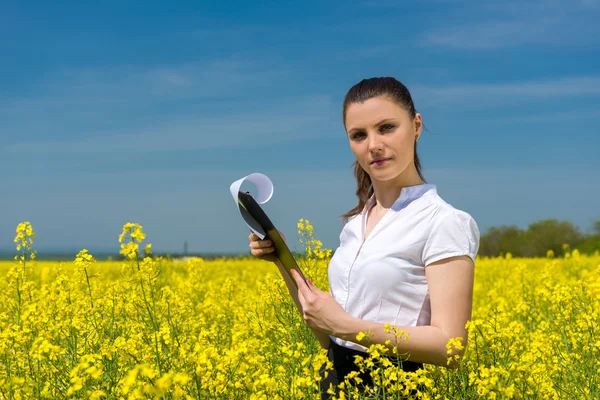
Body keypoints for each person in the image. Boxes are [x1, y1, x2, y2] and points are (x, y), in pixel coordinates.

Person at [248, 77, 480, 399]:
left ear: (416, 126)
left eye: (386, 127)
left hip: (394, 387)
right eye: (359, 135)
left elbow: (450, 348)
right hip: (333, 384)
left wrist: (346, 326)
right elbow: (330, 334)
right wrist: (281, 259)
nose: (373, 145)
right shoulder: (355, 224)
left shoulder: (444, 222)